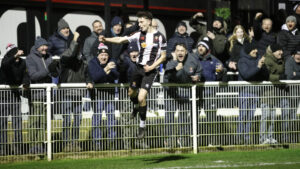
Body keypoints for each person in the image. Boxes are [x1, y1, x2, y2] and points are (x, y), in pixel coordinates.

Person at [100, 11, 167, 139]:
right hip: (139, 68)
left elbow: (163, 57)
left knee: (142, 97)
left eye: (141, 22)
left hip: (150, 71)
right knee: (131, 93)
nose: (139, 25)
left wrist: (152, 67)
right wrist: (106, 39)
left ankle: (142, 126)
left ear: (149, 21)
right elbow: (121, 39)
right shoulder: (138, 35)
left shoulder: (160, 37)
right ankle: (136, 107)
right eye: (138, 22)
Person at [58, 32, 93, 152]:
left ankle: (75, 142)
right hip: (67, 93)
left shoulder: (82, 60)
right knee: (67, 119)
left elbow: (87, 73)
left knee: (78, 119)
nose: (78, 48)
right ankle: (66, 144)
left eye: (79, 46)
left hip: (79, 93)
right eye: (76, 45)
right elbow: (71, 56)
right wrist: (75, 40)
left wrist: (89, 81)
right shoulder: (65, 57)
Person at [164, 43, 202, 147]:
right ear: (175, 52)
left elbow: (199, 71)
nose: (180, 52)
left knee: (184, 116)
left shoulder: (193, 60)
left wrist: (197, 77)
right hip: (170, 91)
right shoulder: (171, 61)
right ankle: (169, 141)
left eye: (182, 50)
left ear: (186, 52)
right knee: (169, 116)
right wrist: (175, 69)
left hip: (185, 90)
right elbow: (166, 77)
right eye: (178, 50)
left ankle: (183, 140)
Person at [26, 37, 58, 154]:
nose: (45, 48)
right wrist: (48, 70)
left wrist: (55, 70)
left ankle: (40, 145)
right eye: (43, 46)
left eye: (46, 46)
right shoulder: (30, 58)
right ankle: (32, 146)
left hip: (47, 96)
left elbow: (53, 74)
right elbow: (33, 76)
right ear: (37, 47)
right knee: (34, 121)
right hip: (36, 95)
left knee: (44, 122)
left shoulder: (49, 57)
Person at [88, 43, 119, 150]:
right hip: (97, 95)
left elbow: (116, 75)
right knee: (97, 119)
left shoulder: (112, 61)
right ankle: (96, 143)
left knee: (111, 118)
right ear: (98, 55)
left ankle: (112, 142)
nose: (104, 57)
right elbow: (95, 77)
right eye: (102, 55)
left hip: (109, 93)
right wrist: (106, 70)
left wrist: (106, 72)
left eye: (106, 55)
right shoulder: (92, 62)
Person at [0, 44, 29, 155]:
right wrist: (14, 56)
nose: (16, 53)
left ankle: (17, 147)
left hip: (15, 96)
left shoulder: (22, 62)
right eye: (13, 52)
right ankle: (3, 147)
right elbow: (5, 66)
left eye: (16, 50)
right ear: (10, 53)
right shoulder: (6, 61)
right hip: (3, 97)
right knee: (2, 123)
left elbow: (26, 74)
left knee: (17, 122)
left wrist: (26, 82)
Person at [237, 42, 269, 145]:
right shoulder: (242, 61)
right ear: (248, 51)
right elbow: (246, 75)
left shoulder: (259, 59)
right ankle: (239, 138)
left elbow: (265, 76)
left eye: (256, 49)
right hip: (245, 92)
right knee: (243, 116)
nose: (256, 51)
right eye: (253, 49)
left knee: (250, 117)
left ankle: (246, 139)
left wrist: (263, 67)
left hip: (255, 92)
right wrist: (258, 66)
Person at [260, 44, 286, 144]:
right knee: (266, 116)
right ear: (273, 52)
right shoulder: (267, 60)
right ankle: (263, 138)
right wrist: (279, 78)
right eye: (279, 50)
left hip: (276, 92)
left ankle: (270, 137)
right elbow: (266, 75)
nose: (281, 52)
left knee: (273, 117)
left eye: (281, 50)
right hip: (267, 93)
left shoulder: (280, 60)